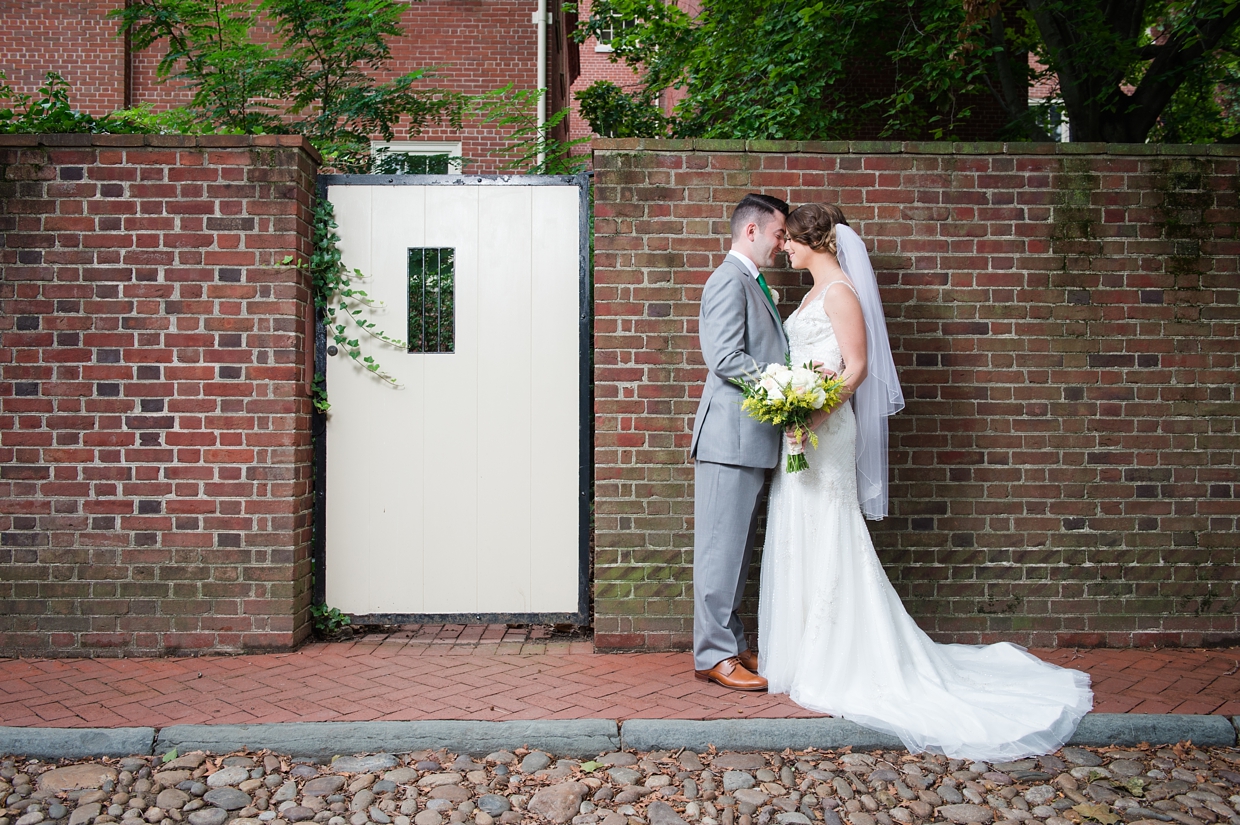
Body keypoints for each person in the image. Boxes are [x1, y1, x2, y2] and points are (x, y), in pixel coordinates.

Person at [758, 203, 1093, 759]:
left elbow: (857, 367)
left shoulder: (840, 292)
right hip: (803, 430)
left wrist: (812, 416)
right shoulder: (813, 293)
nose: (783, 248)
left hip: (825, 432)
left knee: (828, 528)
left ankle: (839, 654)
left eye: (789, 239)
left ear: (810, 240)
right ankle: (802, 651)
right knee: (800, 529)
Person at [690, 193, 790, 691]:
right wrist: (783, 385)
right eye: (778, 233)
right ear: (751, 231)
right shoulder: (728, 280)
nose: (782, 243)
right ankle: (712, 654)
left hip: (747, 439)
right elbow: (725, 357)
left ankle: (730, 644)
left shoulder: (753, 282)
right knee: (717, 551)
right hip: (728, 439)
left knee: (734, 552)